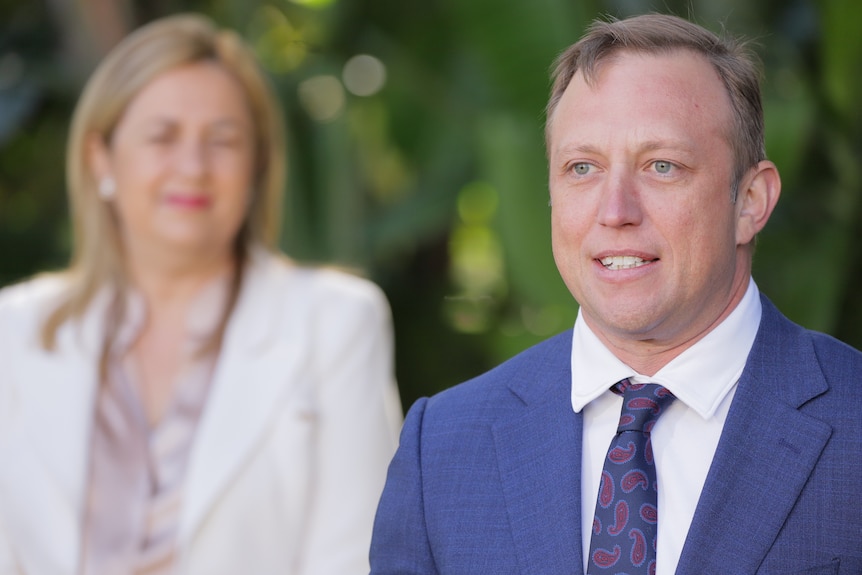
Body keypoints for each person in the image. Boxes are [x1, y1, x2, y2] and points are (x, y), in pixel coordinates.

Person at [370, 13, 862, 575]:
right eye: (583, 167)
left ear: (750, 200)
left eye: (662, 166)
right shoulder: (445, 447)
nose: (615, 211)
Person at [0, 13, 402, 575]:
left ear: (257, 166)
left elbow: (355, 559)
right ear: (101, 159)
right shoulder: (13, 331)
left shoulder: (336, 323)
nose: (192, 166)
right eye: (162, 136)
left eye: (223, 140)